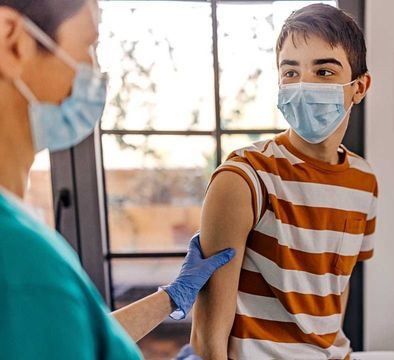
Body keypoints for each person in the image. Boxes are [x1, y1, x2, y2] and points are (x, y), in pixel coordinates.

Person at [0, 0, 234, 358]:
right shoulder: (19, 263)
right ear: (12, 40)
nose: (94, 72)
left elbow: (74, 334)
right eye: (88, 47)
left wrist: (171, 297)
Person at [190, 4, 377, 359]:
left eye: (324, 71)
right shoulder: (244, 178)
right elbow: (207, 340)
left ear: (360, 86)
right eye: (291, 72)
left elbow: (336, 289)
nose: (304, 85)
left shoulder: (364, 180)